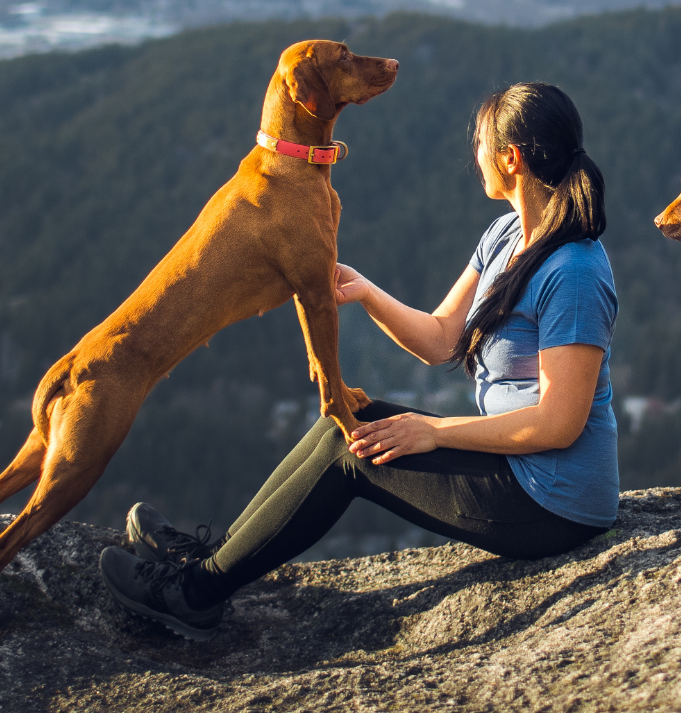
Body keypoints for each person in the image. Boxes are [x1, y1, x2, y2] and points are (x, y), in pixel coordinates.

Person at [99, 82, 619, 640]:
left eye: (480, 144)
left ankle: (194, 595)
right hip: (517, 469)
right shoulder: (505, 235)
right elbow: (443, 337)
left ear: (510, 159)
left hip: (554, 502)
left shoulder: (575, 271)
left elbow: (559, 424)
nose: (475, 157)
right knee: (343, 420)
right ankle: (211, 560)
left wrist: (435, 432)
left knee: (353, 458)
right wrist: (366, 291)